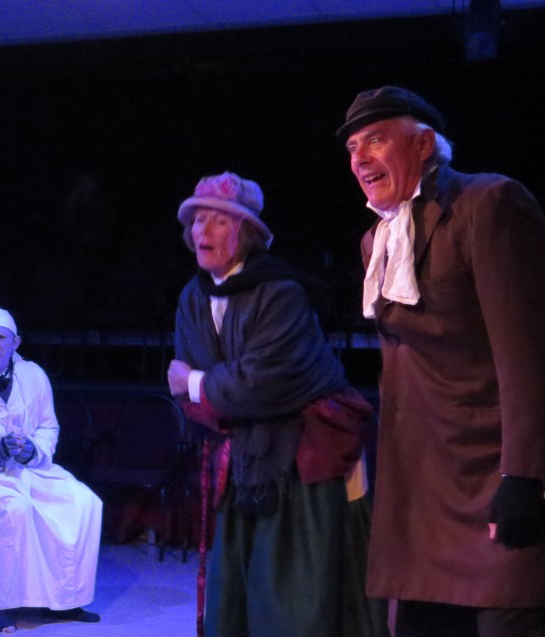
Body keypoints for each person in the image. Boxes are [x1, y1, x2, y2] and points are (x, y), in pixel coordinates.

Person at [338, 85, 545, 636]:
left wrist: (524, 474)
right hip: (422, 487)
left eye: (375, 140)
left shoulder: (488, 205)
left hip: (491, 472)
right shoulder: (377, 242)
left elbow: (528, 354)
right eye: (353, 147)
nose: (359, 158)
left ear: (424, 144)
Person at [167, 172, 388, 637]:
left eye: (219, 221)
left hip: (304, 461)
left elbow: (261, 385)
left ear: (246, 233)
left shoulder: (281, 293)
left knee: (296, 595)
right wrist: (210, 391)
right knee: (237, 595)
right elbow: (198, 398)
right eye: (198, 220)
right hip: (243, 463)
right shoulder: (192, 298)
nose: (203, 231)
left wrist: (199, 383)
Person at [0, 306, 103, 633]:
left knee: (82, 502)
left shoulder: (33, 376)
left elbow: (47, 427)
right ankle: (4, 606)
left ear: (15, 342)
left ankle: (64, 600)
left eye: (1, 338)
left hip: (30, 470)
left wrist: (33, 451)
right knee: (13, 509)